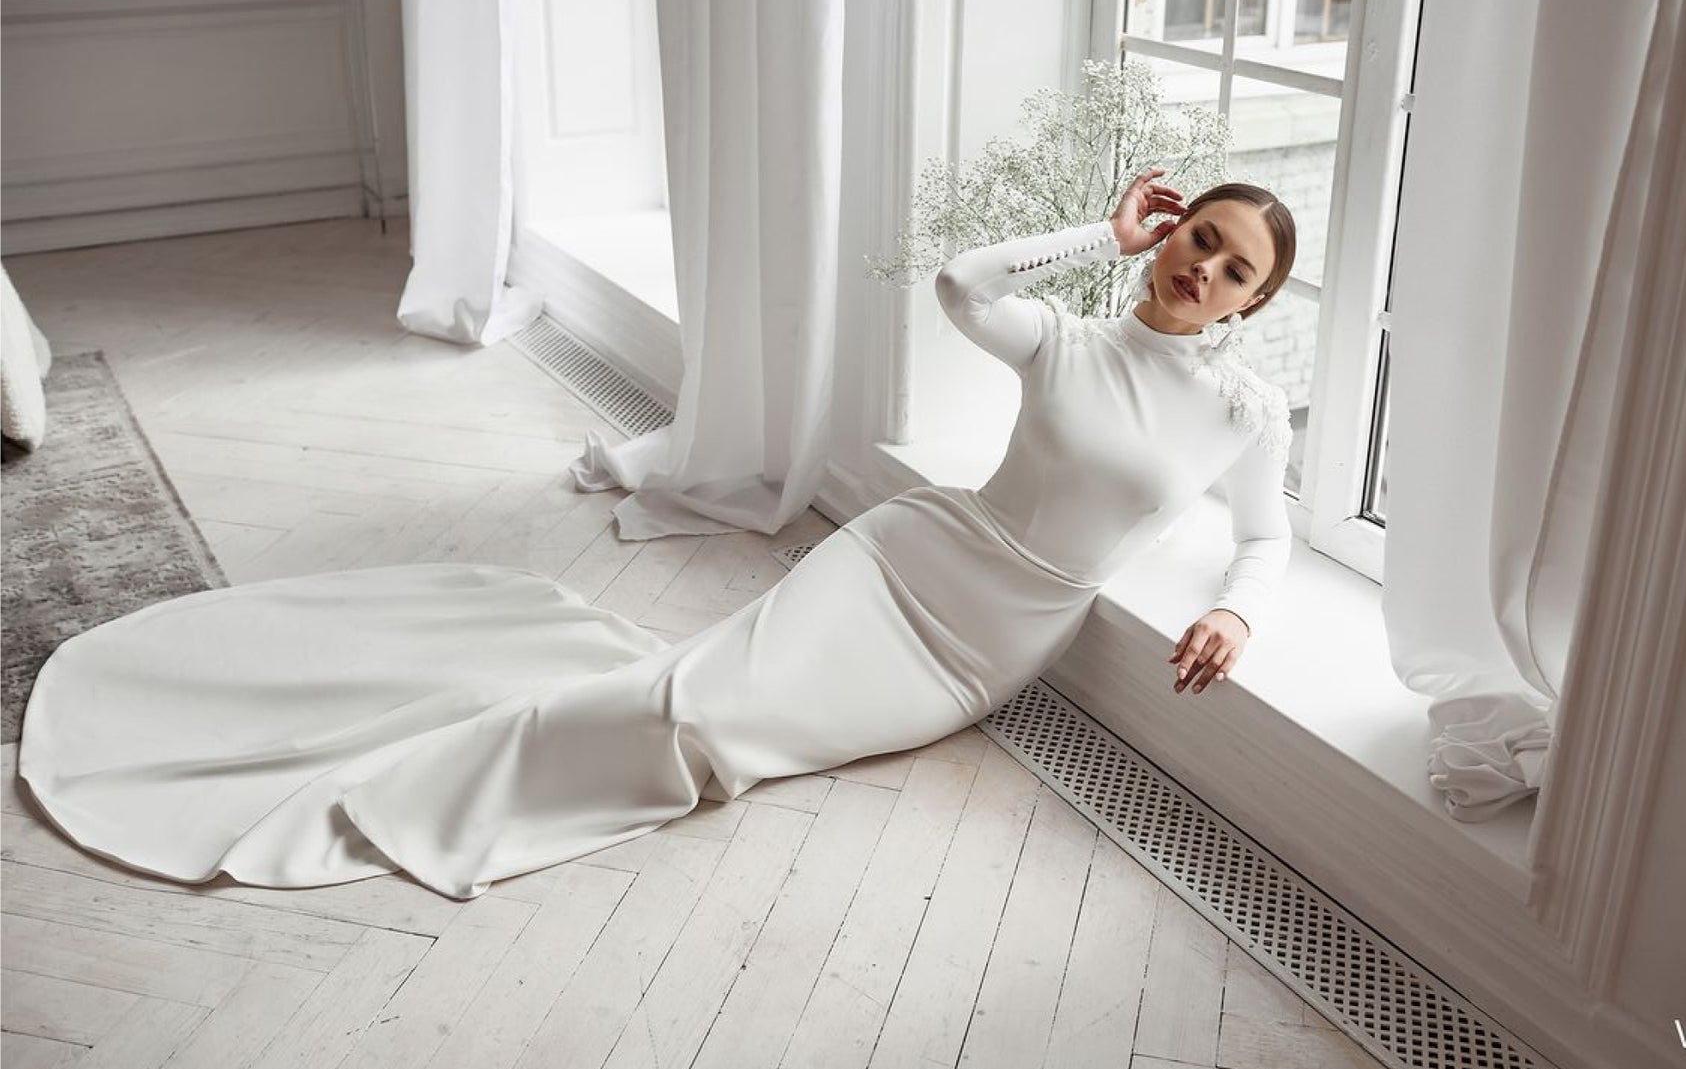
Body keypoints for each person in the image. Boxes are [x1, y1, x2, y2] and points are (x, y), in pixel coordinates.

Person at [16, 172, 1296, 901]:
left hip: (980, 653)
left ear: (1254, 301)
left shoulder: (1245, 414)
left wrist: (1237, 610)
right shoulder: (1064, 338)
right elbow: (962, 284)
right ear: (1167, 232)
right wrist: (1097, 235)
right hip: (903, 562)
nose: (1207, 270)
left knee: (718, 738)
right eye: (1201, 238)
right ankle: (427, 780)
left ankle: (503, 751)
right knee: (689, 704)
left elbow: (1265, 539)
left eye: (1238, 270)